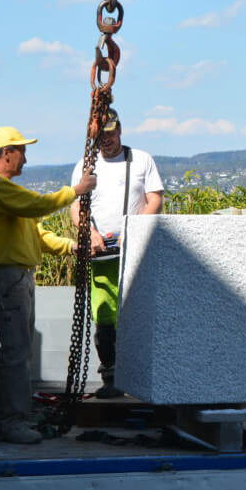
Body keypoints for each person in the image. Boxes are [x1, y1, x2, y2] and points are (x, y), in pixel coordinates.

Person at [0, 126, 97, 444]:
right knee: (16, 352)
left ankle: (14, 417)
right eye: (22, 151)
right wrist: (77, 190)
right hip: (10, 277)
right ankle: (9, 422)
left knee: (19, 350)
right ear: (7, 153)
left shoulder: (7, 193)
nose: (26, 159)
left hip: (18, 276)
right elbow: (40, 206)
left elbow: (38, 233)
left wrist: (72, 246)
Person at [70, 108, 164, 399]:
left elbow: (154, 200)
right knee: (104, 315)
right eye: (100, 135)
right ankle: (110, 377)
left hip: (134, 253)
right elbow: (76, 206)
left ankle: (139, 376)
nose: (106, 140)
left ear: (120, 130)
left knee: (136, 312)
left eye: (110, 133)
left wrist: (132, 231)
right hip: (102, 257)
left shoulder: (141, 160)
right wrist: (91, 233)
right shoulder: (86, 166)